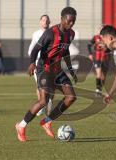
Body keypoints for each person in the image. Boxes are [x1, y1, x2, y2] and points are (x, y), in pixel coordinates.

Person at [15, 7, 78, 142]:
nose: (71, 24)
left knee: (71, 97)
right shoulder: (50, 33)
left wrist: (70, 69)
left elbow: (65, 51)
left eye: (73, 21)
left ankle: (47, 121)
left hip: (57, 70)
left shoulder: (71, 34)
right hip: (44, 69)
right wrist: (32, 63)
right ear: (62, 19)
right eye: (69, 21)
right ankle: (21, 126)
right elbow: (35, 50)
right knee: (44, 101)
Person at [28, 14, 52, 116]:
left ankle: (49, 103)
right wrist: (32, 62)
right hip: (39, 63)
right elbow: (31, 49)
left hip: (51, 63)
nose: (45, 21)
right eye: (43, 20)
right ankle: (41, 106)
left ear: (49, 22)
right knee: (40, 85)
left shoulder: (53, 33)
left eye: (47, 20)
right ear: (40, 22)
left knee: (50, 84)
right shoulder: (36, 34)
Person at [87, 30, 110, 97]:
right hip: (97, 58)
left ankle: (100, 89)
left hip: (105, 58)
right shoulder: (95, 37)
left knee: (104, 76)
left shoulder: (108, 38)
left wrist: (107, 49)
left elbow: (111, 47)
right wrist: (90, 54)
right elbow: (89, 45)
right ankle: (98, 90)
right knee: (99, 74)